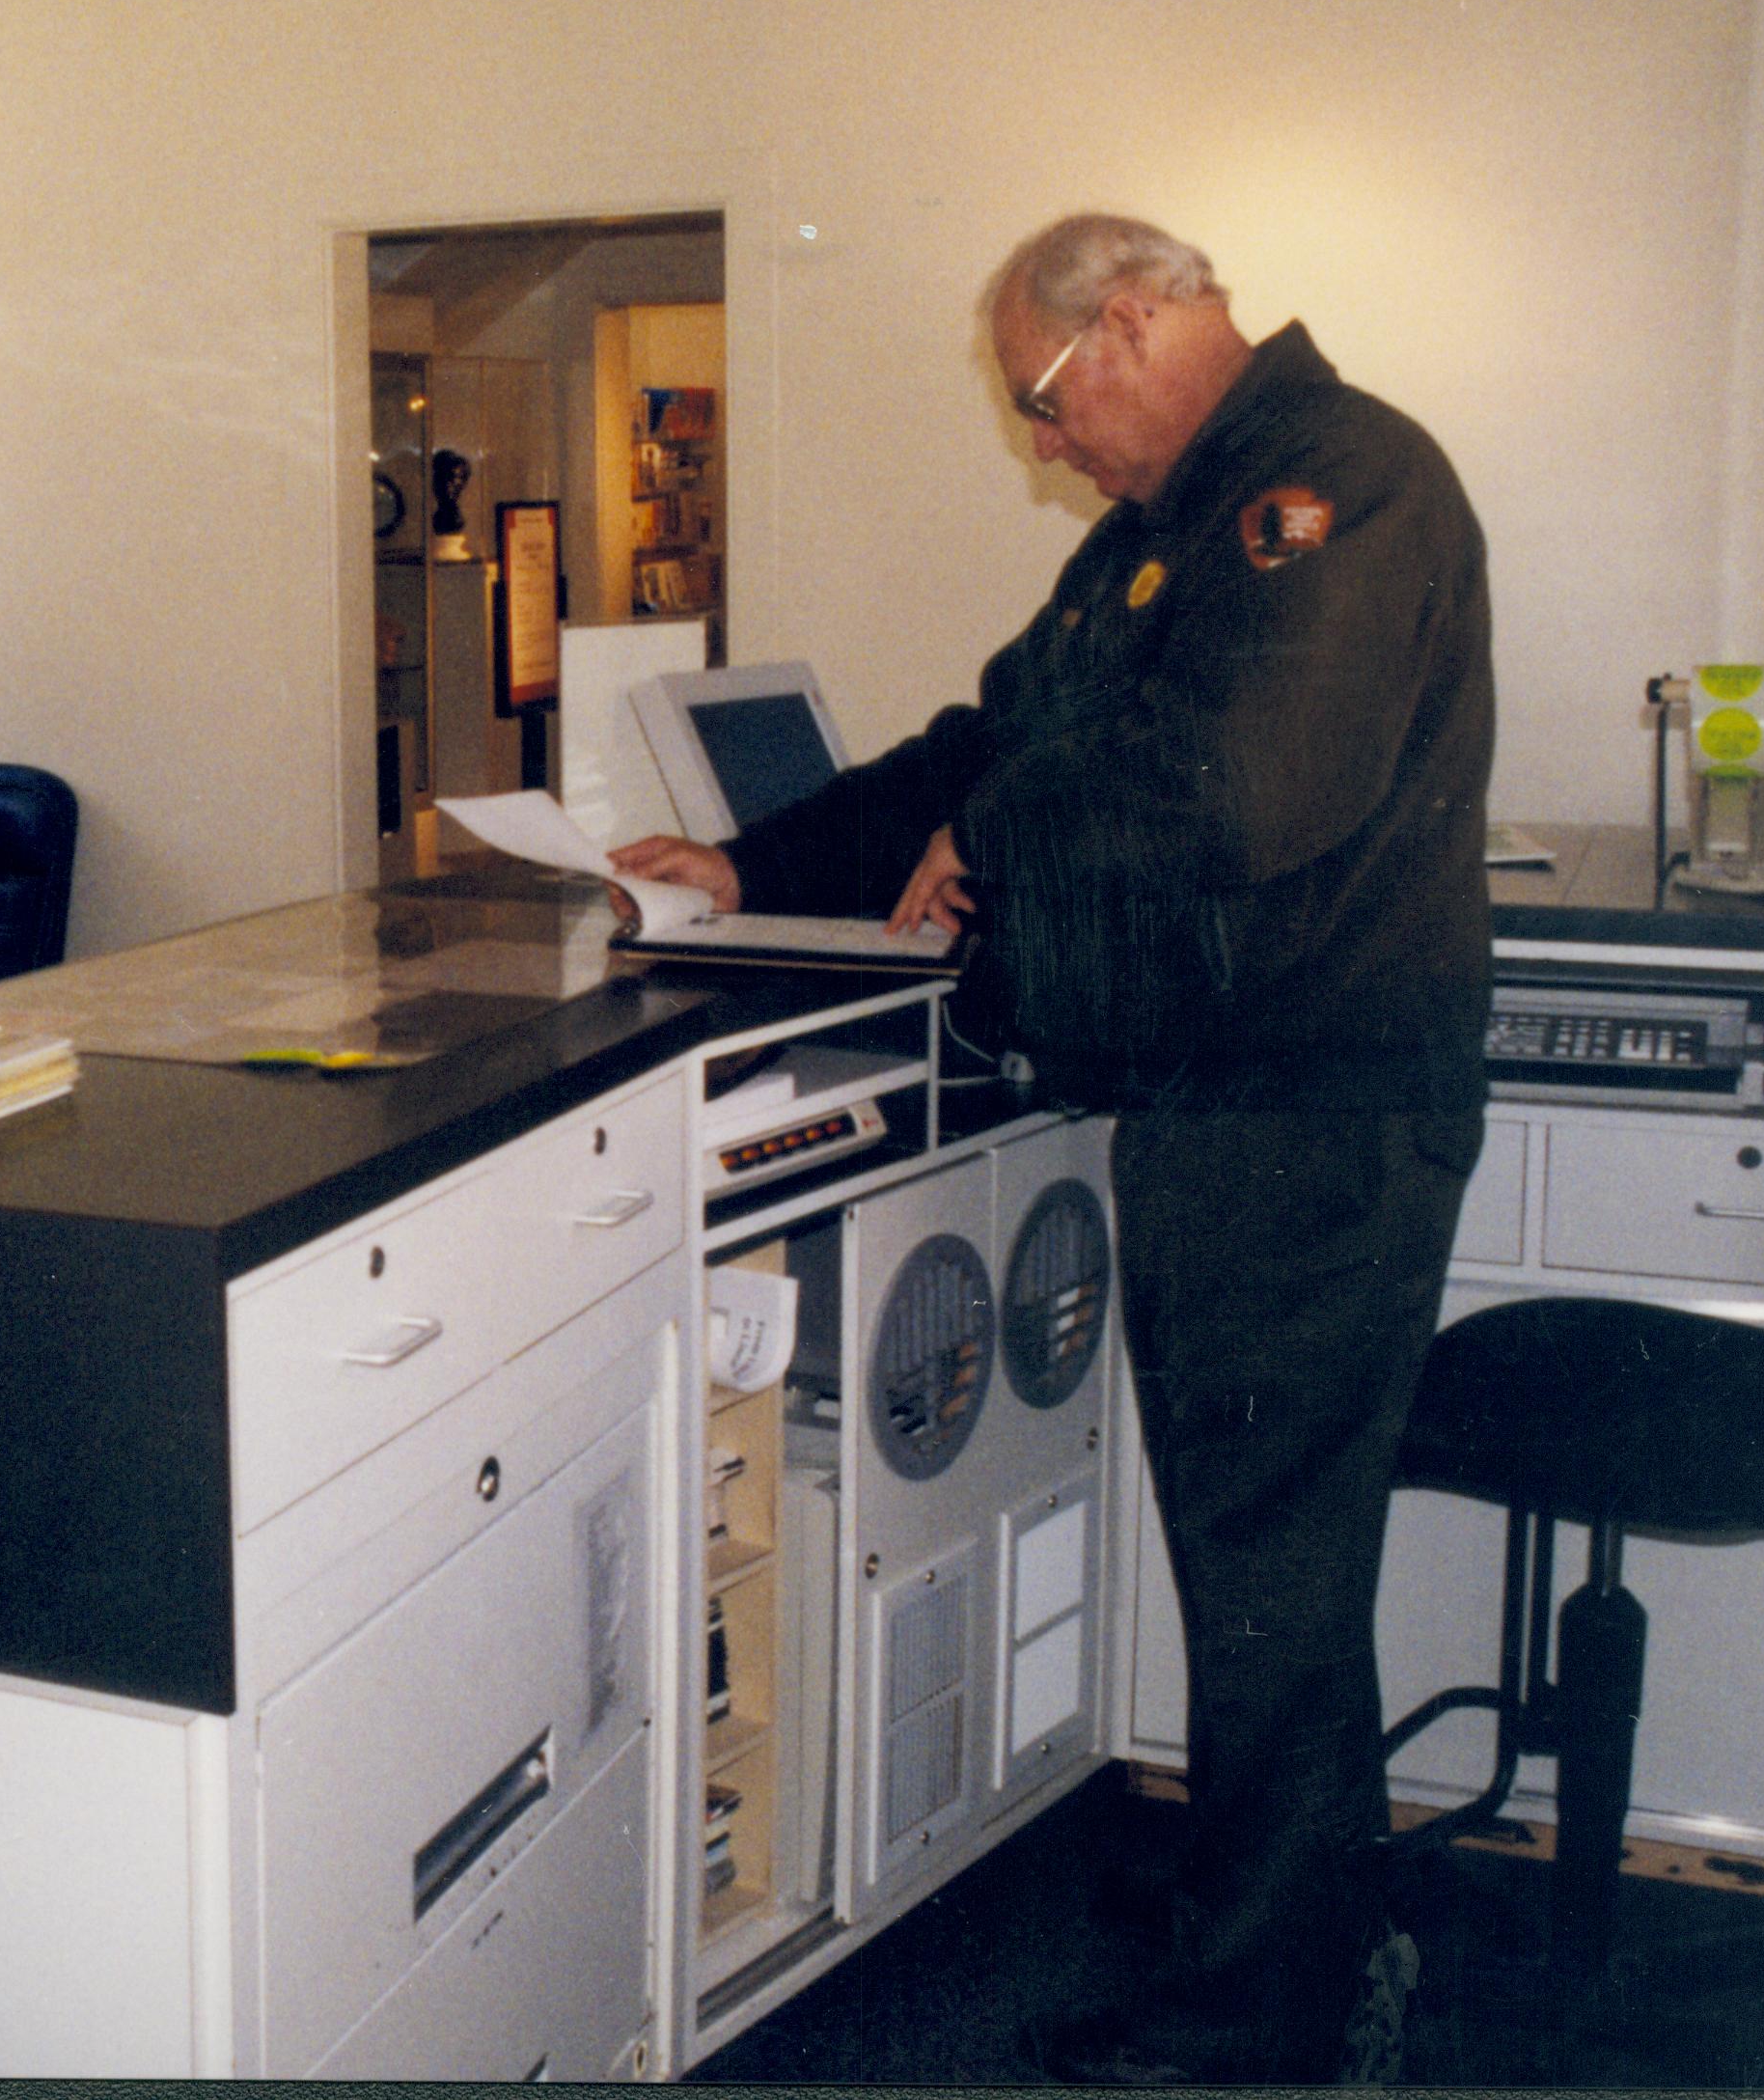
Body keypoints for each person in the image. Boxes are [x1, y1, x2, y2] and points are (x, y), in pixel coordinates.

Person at [619, 213, 1493, 2083]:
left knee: (1263, 1585)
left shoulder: (1334, 491)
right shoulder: (1161, 536)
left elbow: (1243, 788)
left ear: (1134, 320)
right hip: (1223, 1110)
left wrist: (1003, 825)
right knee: (1268, 1577)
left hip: (1309, 1123)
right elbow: (986, 736)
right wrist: (755, 867)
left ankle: (1253, 2024)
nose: (1040, 443)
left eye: (1039, 397)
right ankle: (1301, 1952)